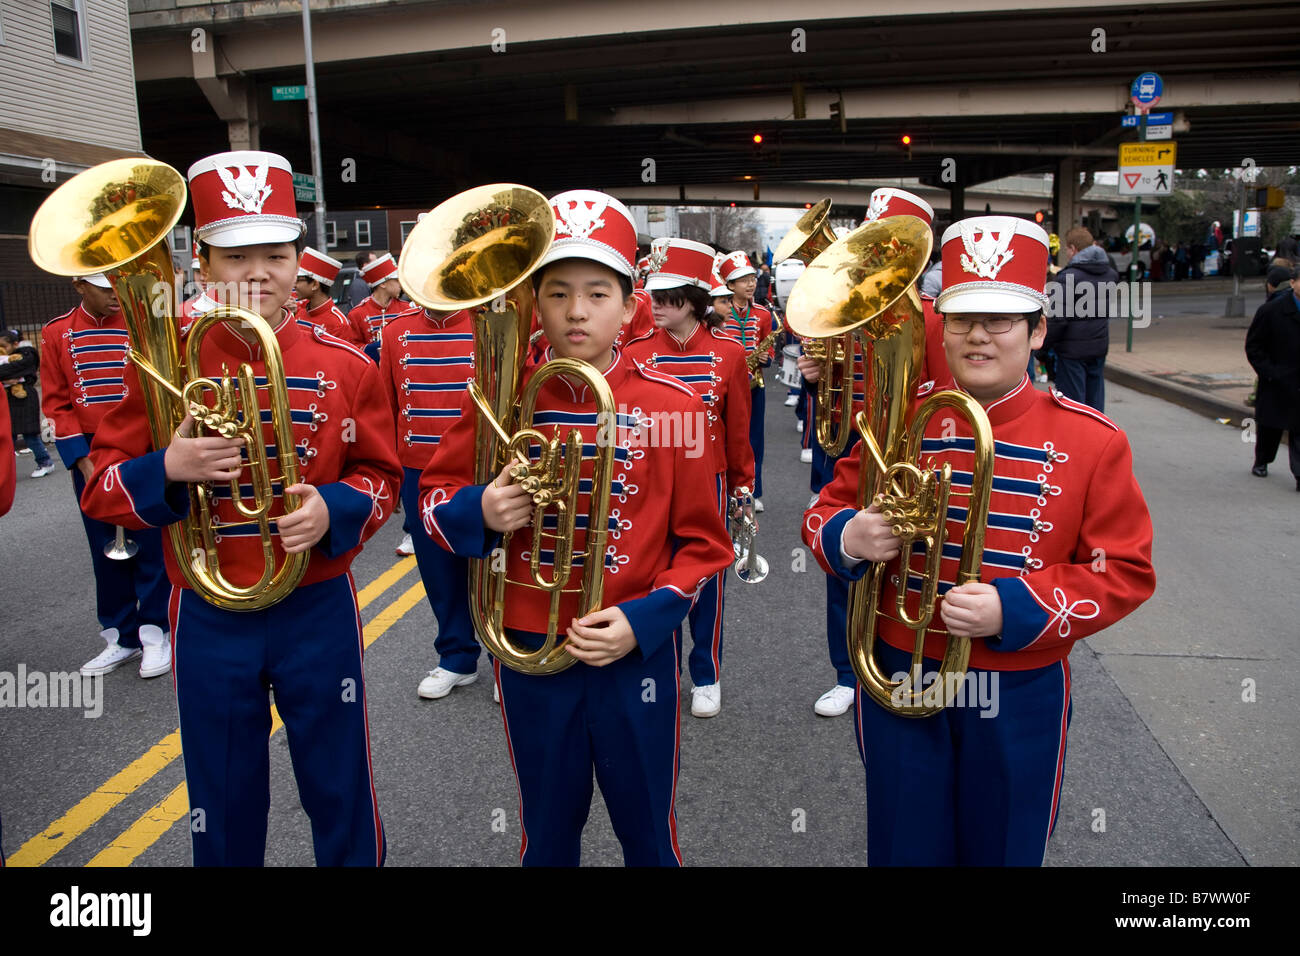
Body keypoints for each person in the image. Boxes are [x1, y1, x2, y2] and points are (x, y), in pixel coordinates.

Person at [802, 215, 1156, 865]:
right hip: (899, 673)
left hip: (1017, 689)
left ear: (1037, 329)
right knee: (902, 846)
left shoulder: (1094, 440)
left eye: (1001, 320)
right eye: (964, 319)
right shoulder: (901, 418)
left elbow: (1124, 571)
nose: (979, 336)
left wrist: (1013, 607)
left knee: (1003, 850)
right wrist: (849, 536)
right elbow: (824, 508)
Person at [80, 150, 400, 866]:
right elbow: (101, 488)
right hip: (207, 610)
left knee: (340, 784)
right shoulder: (162, 362)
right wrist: (167, 466)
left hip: (316, 603)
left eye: (277, 255)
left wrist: (335, 510)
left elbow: (381, 473)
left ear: (299, 262)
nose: (259, 273)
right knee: (220, 799)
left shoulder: (345, 362)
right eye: (236, 256)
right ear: (201, 262)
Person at [419, 189, 733, 866]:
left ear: (630, 304)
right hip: (531, 649)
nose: (576, 311)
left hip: (632, 656)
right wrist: (482, 511)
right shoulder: (501, 398)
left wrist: (646, 620)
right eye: (557, 293)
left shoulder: (674, 406)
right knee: (546, 838)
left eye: (597, 292)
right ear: (535, 303)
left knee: (650, 838)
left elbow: (705, 547)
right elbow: (432, 502)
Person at [798, 187, 938, 718]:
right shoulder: (848, 311)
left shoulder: (936, 320)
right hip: (855, 451)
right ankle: (847, 670)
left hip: (914, 463)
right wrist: (816, 381)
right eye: (869, 248)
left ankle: (907, 660)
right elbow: (840, 385)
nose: (872, 260)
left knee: (915, 570)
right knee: (846, 557)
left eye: (887, 250)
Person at [624, 237, 753, 719]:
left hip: (707, 481)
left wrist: (742, 491)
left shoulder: (729, 354)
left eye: (666, 296)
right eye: (652, 295)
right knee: (650, 572)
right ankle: (657, 670)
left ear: (695, 298)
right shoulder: (633, 351)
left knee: (707, 580)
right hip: (648, 476)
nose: (653, 304)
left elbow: (738, 432)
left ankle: (706, 673)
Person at [39, 274, 172, 679]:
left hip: (141, 448)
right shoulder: (56, 333)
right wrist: (81, 460)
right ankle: (120, 637)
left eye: (119, 288)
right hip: (91, 453)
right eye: (105, 289)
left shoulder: (142, 327)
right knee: (105, 547)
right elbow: (57, 402)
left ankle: (156, 632)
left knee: (150, 541)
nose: (116, 296)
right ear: (80, 286)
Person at [377, 301, 483, 697]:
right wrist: (390, 472)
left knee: (489, 565)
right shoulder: (395, 331)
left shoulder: (490, 322)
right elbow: (386, 407)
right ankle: (456, 656)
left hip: (479, 466)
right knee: (438, 568)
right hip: (418, 468)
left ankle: (504, 657)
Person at [719, 250, 777, 512]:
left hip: (755, 385)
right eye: (744, 280)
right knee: (725, 437)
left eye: (753, 278)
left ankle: (755, 490)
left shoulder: (763, 314)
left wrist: (766, 357)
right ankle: (726, 486)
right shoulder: (720, 311)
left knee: (754, 439)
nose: (751, 283)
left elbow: (770, 347)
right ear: (730, 285)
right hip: (726, 384)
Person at [1042, 225, 1116, 412]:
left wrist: (1042, 350)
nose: (1066, 253)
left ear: (1073, 249)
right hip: (1098, 348)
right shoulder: (1110, 275)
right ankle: (1097, 440)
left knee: (1072, 409)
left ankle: (1076, 441)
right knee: (1095, 406)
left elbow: (1057, 320)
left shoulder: (1067, 278)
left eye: (1067, 249)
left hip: (1072, 353)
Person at [1245, 265, 1300, 489]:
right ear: (1293, 283)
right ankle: (1262, 460)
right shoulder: (1271, 311)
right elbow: (1254, 347)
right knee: (1270, 427)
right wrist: (1269, 372)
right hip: (1277, 379)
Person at [1, 329, 56, 478]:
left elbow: (22, 369)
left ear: (15, 343)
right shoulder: (6, 357)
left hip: (26, 399)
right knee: (8, 436)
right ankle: (5, 471)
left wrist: (7, 374)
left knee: (30, 435)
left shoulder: (27, 354)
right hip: (10, 400)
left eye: (4, 346)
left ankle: (45, 462)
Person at [347, 252, 416, 352]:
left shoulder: (407, 309)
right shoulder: (357, 314)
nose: (400, 285)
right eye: (396, 280)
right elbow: (353, 348)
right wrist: (374, 348)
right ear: (383, 284)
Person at [294, 248, 354, 340]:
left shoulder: (338, 323)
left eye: (298, 280)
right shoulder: (301, 312)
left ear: (315, 284)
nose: (294, 285)